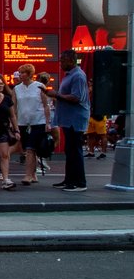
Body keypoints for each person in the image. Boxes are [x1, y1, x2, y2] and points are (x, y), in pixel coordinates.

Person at [44, 49, 90, 192]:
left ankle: (80, 182)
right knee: (70, 150)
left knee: (75, 150)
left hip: (75, 120)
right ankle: (69, 179)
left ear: (71, 60)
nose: (60, 63)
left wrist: (56, 95)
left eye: (62, 60)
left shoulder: (78, 76)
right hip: (69, 119)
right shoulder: (70, 75)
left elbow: (77, 98)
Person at [14, 63, 52, 185]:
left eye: (23, 73)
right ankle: (34, 173)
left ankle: (28, 175)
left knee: (31, 148)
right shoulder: (17, 89)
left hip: (38, 122)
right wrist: (13, 123)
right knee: (28, 148)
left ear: (29, 74)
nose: (20, 75)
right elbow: (14, 107)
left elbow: (46, 105)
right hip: (22, 122)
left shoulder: (39, 86)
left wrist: (47, 122)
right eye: (19, 73)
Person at [0, 75, 19, 190]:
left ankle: (6, 178)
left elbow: (12, 116)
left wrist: (16, 130)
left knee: (4, 155)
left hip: (3, 129)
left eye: (2, 83)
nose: (1, 85)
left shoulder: (7, 98)